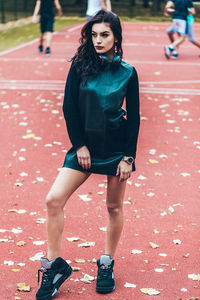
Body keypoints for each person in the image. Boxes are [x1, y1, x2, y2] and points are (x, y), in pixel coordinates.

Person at [36, 9, 140, 300]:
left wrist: (128, 157)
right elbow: (69, 108)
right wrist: (79, 145)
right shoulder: (80, 67)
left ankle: (106, 262)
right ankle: (54, 267)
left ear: (116, 37)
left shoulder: (128, 72)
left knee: (113, 207)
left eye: (104, 34)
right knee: (53, 199)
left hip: (116, 150)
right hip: (84, 148)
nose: (98, 40)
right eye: (93, 34)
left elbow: (134, 118)